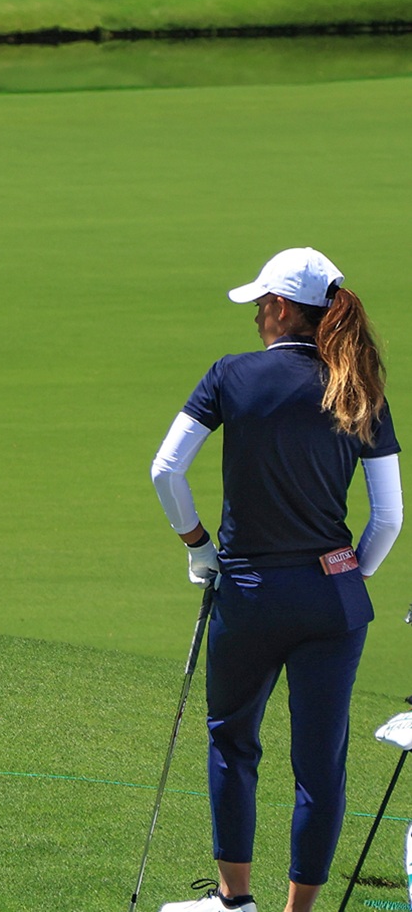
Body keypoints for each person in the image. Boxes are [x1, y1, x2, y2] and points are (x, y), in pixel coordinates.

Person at [152, 248, 402, 912]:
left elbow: (165, 472)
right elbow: (389, 518)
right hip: (333, 601)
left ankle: (236, 903)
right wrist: (353, 571)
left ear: (284, 309)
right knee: (320, 767)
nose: (257, 316)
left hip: (251, 596)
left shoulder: (231, 376)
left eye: (261, 305)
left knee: (233, 740)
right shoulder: (360, 386)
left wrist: (198, 546)